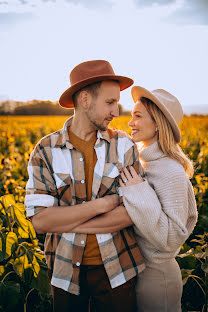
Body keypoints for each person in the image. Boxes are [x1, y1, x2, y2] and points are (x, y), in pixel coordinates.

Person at [25, 60, 145, 312]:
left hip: (119, 270)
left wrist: (65, 218)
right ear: (85, 99)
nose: (117, 112)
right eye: (110, 102)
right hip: (65, 270)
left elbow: (132, 212)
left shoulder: (124, 147)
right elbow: (41, 222)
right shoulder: (45, 151)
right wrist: (101, 205)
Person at [73, 86, 198, 312]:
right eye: (132, 115)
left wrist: (140, 192)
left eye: (138, 116)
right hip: (135, 272)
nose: (130, 123)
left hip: (158, 279)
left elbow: (170, 240)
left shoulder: (172, 172)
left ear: (158, 123)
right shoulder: (142, 163)